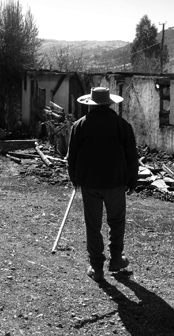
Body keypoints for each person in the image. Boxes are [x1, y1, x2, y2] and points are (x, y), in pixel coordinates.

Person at [67, 87, 139, 282]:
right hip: (115, 183)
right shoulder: (122, 125)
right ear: (109, 103)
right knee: (116, 222)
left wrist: (74, 179)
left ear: (91, 104)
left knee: (93, 225)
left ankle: (96, 267)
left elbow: (71, 156)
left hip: (90, 183)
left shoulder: (79, 126)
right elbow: (132, 156)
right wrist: (133, 180)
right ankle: (116, 260)